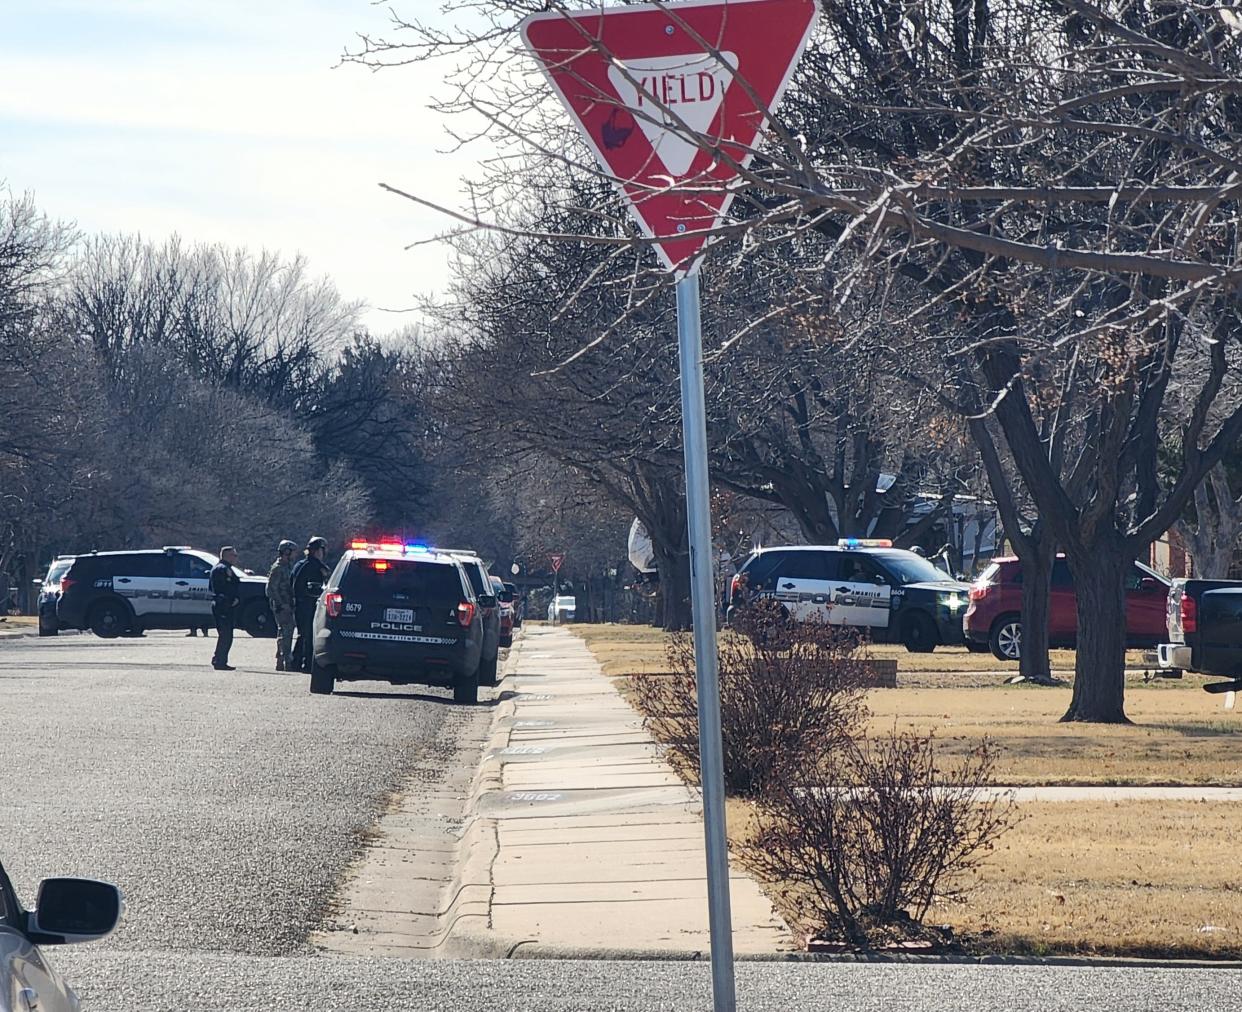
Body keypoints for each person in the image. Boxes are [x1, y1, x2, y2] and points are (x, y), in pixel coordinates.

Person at [291, 536, 330, 674]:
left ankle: (296, 662)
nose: (323, 553)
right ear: (317, 551)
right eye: (321, 550)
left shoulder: (300, 564)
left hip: (301, 605)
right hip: (308, 604)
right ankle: (306, 664)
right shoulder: (314, 566)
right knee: (308, 634)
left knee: (304, 634)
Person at [267, 540, 298, 671]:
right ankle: (286, 660)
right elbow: (270, 589)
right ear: (286, 552)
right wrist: (281, 604)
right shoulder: (278, 568)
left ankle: (281, 659)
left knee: (284, 631)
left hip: (287, 604)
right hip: (282, 606)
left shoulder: (288, 566)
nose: (295, 555)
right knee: (286, 632)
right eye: (293, 552)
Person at [210, 546, 241, 671]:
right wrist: (230, 601)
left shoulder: (224, 568)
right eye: (234, 555)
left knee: (225, 635)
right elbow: (223, 589)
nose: (236, 558)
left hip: (223, 605)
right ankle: (219, 661)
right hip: (223, 606)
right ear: (227, 556)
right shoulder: (222, 569)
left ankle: (219, 659)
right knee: (225, 635)